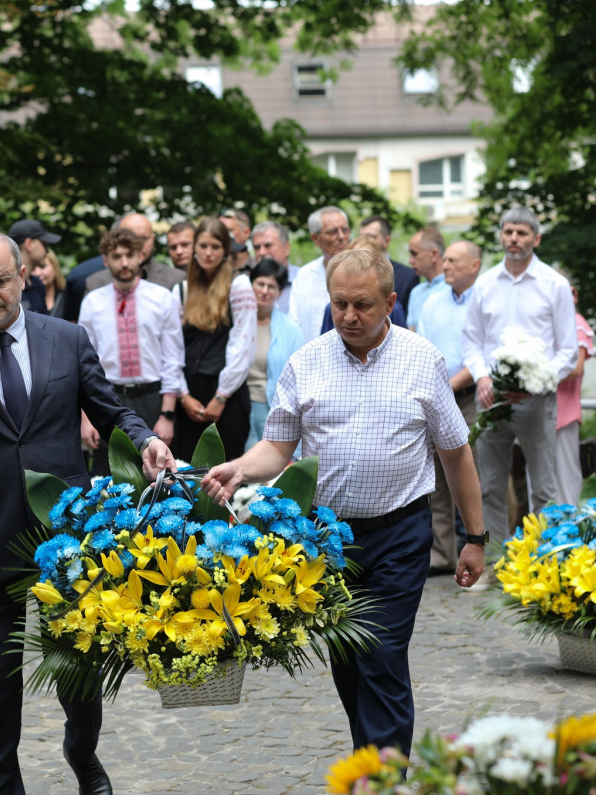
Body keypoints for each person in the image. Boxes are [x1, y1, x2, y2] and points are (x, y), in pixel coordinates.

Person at [0, 230, 174, 795]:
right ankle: (4, 789)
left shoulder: (67, 339)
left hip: (68, 537)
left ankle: (83, 752)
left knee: (79, 670)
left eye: (2, 281)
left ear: (22, 277)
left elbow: (108, 407)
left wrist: (145, 438)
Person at [201, 247, 486, 757]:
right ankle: (369, 764)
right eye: (340, 305)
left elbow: (456, 453)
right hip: (328, 540)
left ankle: (383, 784)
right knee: (349, 660)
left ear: (391, 302)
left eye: (363, 305)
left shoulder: (422, 359)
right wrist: (240, 468)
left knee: (381, 653)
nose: (350, 316)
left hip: (401, 534)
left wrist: (475, 538)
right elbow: (279, 447)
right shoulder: (306, 361)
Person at [462, 206, 577, 543]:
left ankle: (543, 566)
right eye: (509, 231)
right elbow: (472, 340)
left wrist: (534, 384)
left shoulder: (555, 285)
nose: (514, 238)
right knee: (489, 488)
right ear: (501, 235)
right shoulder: (484, 285)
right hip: (491, 398)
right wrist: (482, 377)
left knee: (543, 490)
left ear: (536, 238)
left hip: (536, 400)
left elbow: (568, 351)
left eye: (522, 233)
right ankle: (495, 564)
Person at [78, 228, 184, 473]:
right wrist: (86, 418)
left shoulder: (162, 298)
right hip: (107, 399)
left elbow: (173, 359)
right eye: (116, 256)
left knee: (159, 477)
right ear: (106, 260)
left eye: (129, 255)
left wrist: (167, 415)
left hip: (153, 398)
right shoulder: (92, 302)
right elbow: (82, 366)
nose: (124, 262)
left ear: (140, 256)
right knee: (109, 482)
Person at [417, 240, 482, 574]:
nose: (445, 266)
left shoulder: (484, 300)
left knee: (470, 471)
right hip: (434, 397)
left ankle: (479, 549)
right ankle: (441, 555)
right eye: (445, 260)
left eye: (454, 261)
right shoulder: (432, 302)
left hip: (470, 396)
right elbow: (423, 345)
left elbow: (485, 350)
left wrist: (451, 384)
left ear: (475, 265)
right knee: (436, 482)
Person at [172, 218, 257, 462]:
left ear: (226, 251)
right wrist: (183, 395)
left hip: (227, 396)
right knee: (185, 476)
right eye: (203, 246)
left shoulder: (238, 285)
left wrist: (221, 397)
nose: (208, 253)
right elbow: (173, 348)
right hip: (188, 396)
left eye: (216, 247)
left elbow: (243, 345)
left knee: (227, 473)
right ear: (195, 249)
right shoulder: (181, 290)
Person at [244, 257, 303, 450]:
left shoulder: (291, 330)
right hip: (235, 403)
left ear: (279, 293)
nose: (264, 291)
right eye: (260, 283)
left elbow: (297, 379)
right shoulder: (237, 322)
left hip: (267, 406)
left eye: (271, 286)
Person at [289, 206, 353, 343]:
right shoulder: (304, 275)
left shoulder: (364, 272)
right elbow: (294, 324)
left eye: (345, 230)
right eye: (333, 232)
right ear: (316, 238)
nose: (341, 237)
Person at [555, 283, 594, 505]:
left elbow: (577, 368)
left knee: (567, 471)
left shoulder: (577, 323)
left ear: (574, 295)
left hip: (565, 409)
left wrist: (541, 373)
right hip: (545, 408)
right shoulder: (552, 323)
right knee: (545, 473)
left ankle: (571, 524)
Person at [320, 238, 407, 333]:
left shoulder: (396, 310)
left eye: (362, 305)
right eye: (340, 303)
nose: (349, 318)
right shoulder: (318, 347)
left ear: (389, 304)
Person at [84, 214, 184, 295]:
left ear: (153, 238)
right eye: (129, 239)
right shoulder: (95, 283)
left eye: (144, 238)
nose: (138, 244)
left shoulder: (176, 279)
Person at [358, 215, 419, 311]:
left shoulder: (407, 276)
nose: (365, 241)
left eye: (371, 237)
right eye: (361, 237)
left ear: (386, 241)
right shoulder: (348, 273)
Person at [250, 221, 301, 313]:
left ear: (286, 248)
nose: (262, 252)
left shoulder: (304, 279)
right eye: (257, 247)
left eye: (268, 246)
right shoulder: (246, 284)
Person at [405, 227, 449, 331]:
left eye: (414, 254)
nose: (410, 260)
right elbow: (412, 335)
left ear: (434, 254)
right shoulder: (416, 292)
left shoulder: (455, 290)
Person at [32, 249, 68, 318]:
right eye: (33, 268)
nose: (37, 273)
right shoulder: (24, 299)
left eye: (42, 267)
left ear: (55, 267)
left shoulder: (68, 296)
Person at [219, 208, 253, 272]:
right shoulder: (210, 268)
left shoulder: (258, 268)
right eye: (219, 231)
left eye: (229, 231)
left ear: (246, 232)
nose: (222, 236)